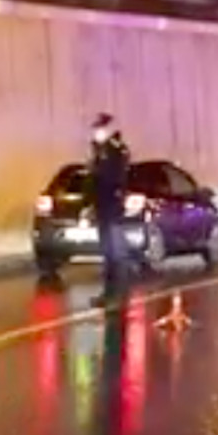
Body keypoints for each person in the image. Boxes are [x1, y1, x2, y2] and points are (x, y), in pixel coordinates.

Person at [88, 113, 131, 308]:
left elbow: (113, 178)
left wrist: (99, 163)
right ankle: (108, 294)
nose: (96, 133)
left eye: (100, 129)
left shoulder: (116, 151)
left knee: (115, 254)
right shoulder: (100, 150)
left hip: (112, 208)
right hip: (102, 207)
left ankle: (118, 295)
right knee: (107, 255)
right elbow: (93, 182)